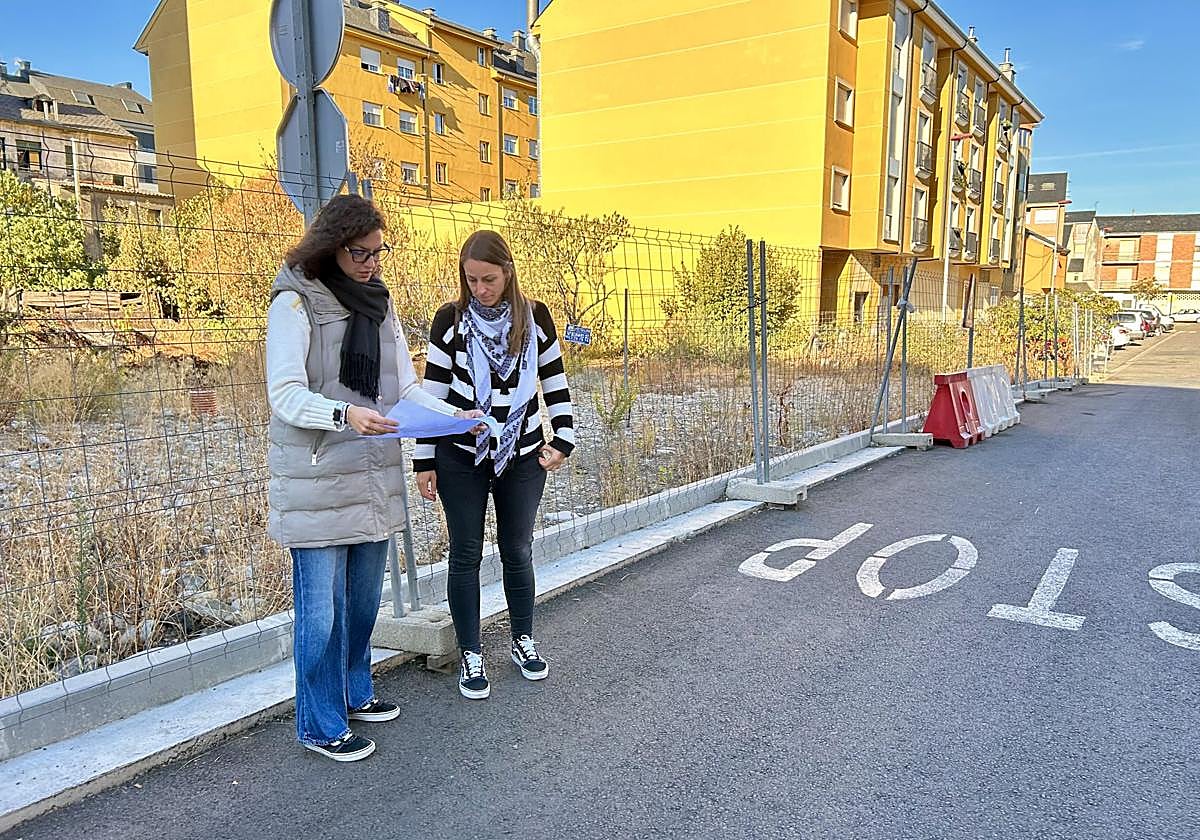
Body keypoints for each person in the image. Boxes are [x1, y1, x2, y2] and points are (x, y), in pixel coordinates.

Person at [266, 195, 478, 761]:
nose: (372, 264)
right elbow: (285, 395)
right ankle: (318, 722)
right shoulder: (294, 303)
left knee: (362, 605)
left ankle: (356, 692)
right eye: (361, 253)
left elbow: (403, 387)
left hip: (370, 473)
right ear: (330, 248)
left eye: (378, 253)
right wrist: (344, 414)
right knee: (320, 615)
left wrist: (451, 414)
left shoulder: (380, 306)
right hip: (317, 477)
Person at [413, 229, 575, 700]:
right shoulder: (450, 320)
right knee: (465, 552)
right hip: (461, 455)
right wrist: (425, 459)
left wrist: (562, 439)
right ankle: (470, 653)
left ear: (508, 272)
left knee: (517, 549)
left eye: (488, 279)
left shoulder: (535, 317)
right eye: (471, 281)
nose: (479, 289)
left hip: (522, 453)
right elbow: (434, 395)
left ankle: (523, 640)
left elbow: (555, 384)